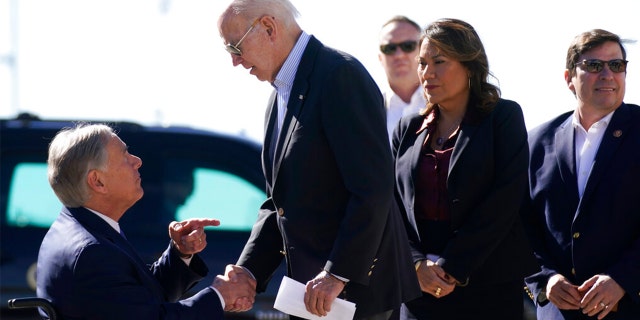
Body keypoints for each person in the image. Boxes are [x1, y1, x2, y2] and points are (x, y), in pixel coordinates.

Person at [216, 0, 421, 319]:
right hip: (312, 296)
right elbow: (279, 202)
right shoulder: (280, 93)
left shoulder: (340, 75)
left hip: (354, 299)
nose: (234, 60)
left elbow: (372, 189)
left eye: (235, 46)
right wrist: (249, 271)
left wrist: (337, 274)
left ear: (269, 28)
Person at [391, 18, 536, 319]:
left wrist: (452, 267)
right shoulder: (408, 127)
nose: (426, 73)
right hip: (419, 289)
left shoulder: (503, 117)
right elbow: (390, 204)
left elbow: (505, 201)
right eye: (422, 63)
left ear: (470, 65)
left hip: (487, 286)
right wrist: (416, 264)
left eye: (439, 61)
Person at [37, 123, 256, 319]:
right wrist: (220, 296)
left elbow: (135, 300)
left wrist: (180, 254)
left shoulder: (79, 229)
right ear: (97, 181)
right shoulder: (92, 250)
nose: (138, 161)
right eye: (125, 156)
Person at [523, 29, 640, 319]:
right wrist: (546, 278)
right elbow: (521, 225)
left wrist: (623, 279)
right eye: (593, 66)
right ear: (569, 79)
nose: (607, 74)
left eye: (616, 65)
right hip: (557, 311)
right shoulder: (537, 141)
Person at [379, 15, 426, 143]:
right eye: (389, 48)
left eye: (408, 46)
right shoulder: (367, 110)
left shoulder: (447, 104)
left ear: (423, 52)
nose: (399, 55)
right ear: (380, 58)